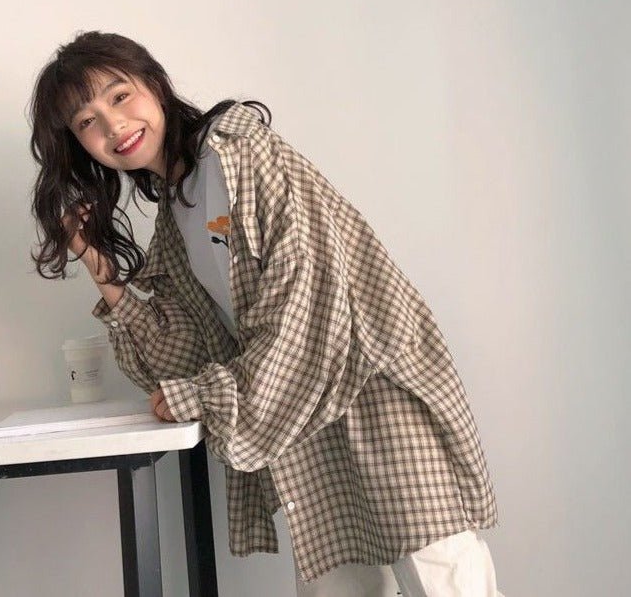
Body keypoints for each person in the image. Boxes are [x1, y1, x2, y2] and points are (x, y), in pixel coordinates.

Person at [28, 30, 504, 596]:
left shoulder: (240, 154)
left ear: (154, 84)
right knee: (343, 589)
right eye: (86, 121)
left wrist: (203, 395)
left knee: (444, 580)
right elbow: (181, 359)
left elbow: (306, 303)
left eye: (120, 95)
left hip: (371, 394)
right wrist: (100, 268)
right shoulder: (177, 215)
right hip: (299, 421)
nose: (112, 125)